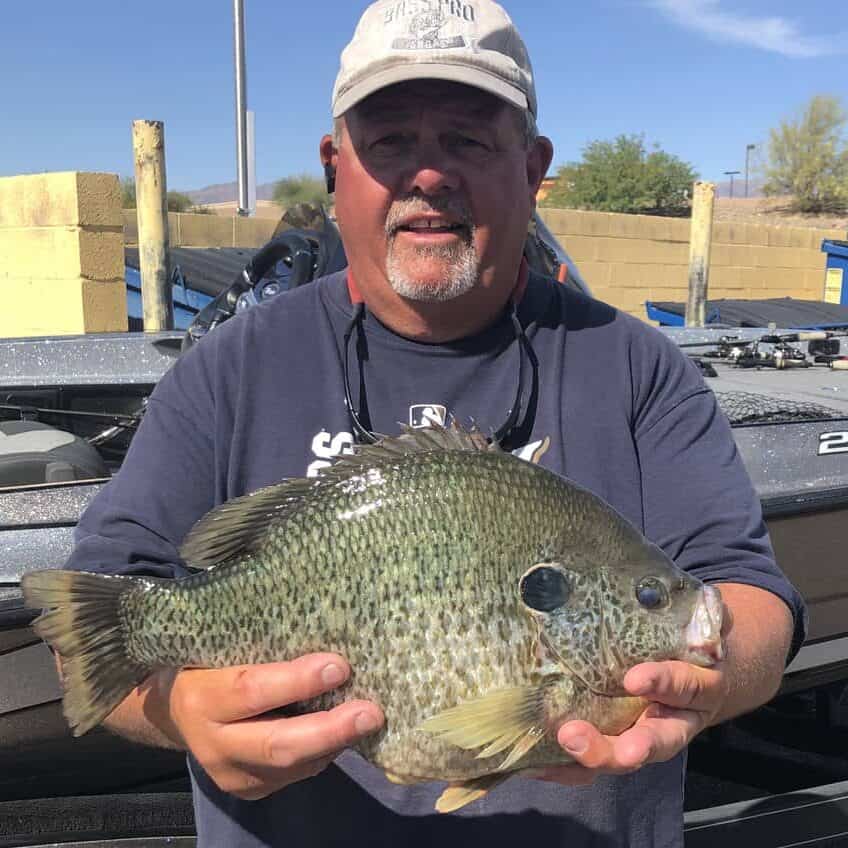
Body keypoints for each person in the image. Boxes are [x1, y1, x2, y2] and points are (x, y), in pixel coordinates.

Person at [62, 0, 805, 845]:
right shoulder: (227, 370)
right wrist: (180, 713)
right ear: (335, 166)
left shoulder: (639, 367)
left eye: (467, 141)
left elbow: (748, 601)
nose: (428, 175)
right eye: (390, 144)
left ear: (532, 169)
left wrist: (709, 683)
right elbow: (96, 635)